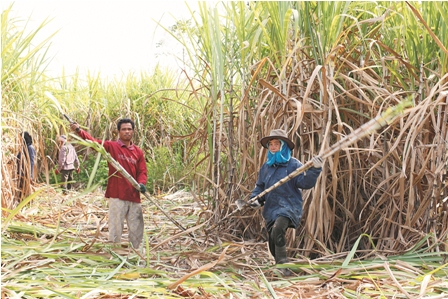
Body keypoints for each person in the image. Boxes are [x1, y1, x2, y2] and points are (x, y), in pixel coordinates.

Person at [249, 129, 323, 276]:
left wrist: (315, 169)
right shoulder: (266, 167)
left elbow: (305, 183)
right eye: (271, 144)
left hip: (289, 207)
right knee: (272, 240)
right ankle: (280, 267)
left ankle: (283, 265)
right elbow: (261, 187)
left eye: (277, 143)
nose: (273, 146)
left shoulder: (294, 165)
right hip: (271, 209)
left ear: (284, 146)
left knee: (278, 229)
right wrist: (256, 199)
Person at [70, 118, 148, 250]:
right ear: (118, 132)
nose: (127, 132)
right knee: (115, 227)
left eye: (129, 129)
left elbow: (142, 171)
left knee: (136, 228)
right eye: (124, 129)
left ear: (133, 131)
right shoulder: (112, 146)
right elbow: (93, 142)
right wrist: (78, 130)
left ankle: (136, 253)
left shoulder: (138, 152)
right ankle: (114, 253)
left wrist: (141, 183)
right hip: (117, 195)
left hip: (134, 195)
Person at [17, 131, 36, 199]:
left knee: (26, 190)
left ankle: (28, 204)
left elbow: (31, 162)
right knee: (22, 189)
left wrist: (30, 176)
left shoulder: (30, 148)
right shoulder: (24, 147)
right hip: (22, 173)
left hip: (26, 173)